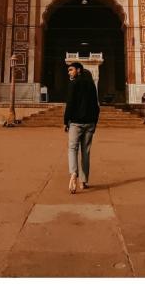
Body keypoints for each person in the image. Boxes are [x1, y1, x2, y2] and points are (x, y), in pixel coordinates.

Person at [64, 62, 99, 194]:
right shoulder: (91, 85)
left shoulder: (73, 84)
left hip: (76, 123)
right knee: (86, 152)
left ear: (78, 70)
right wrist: (95, 122)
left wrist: (65, 121)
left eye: (71, 70)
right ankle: (83, 182)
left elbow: (70, 104)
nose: (69, 72)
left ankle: (73, 173)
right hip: (90, 123)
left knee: (72, 148)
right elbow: (96, 106)